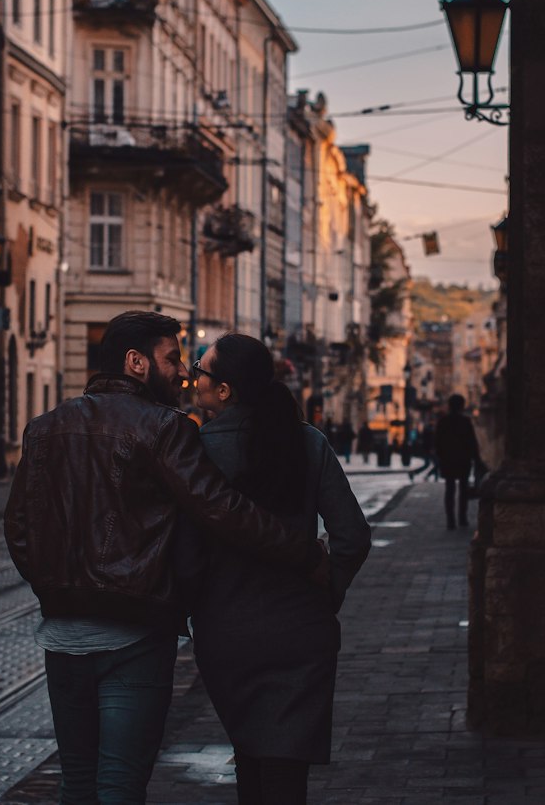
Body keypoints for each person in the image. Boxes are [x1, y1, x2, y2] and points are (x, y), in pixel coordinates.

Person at [3, 311, 328, 805]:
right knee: (119, 784)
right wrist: (302, 551)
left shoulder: (44, 427)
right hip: (134, 635)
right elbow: (222, 510)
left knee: (76, 783)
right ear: (136, 362)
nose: (182, 373)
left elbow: (18, 528)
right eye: (172, 359)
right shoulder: (163, 428)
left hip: (62, 638)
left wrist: (59, 585)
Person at [180, 334, 372, 805]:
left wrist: (194, 610)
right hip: (300, 628)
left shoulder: (194, 453)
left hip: (226, 630)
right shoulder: (306, 440)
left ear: (224, 389)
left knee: (249, 750)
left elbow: (183, 553)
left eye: (200, 371)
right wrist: (327, 591)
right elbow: (352, 536)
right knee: (287, 764)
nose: (193, 378)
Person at [434, 393, 481, 529]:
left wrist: (440, 457)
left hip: (448, 459)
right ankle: (462, 518)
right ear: (462, 406)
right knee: (463, 489)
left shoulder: (443, 421)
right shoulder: (465, 421)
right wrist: (476, 459)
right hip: (463, 459)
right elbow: (472, 442)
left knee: (450, 489)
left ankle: (451, 520)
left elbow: (438, 441)